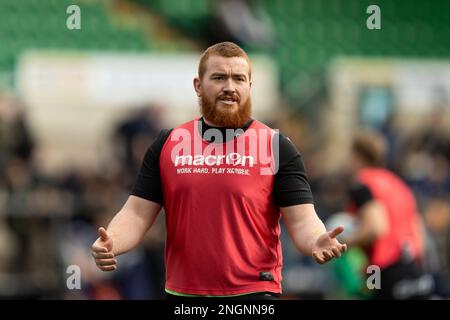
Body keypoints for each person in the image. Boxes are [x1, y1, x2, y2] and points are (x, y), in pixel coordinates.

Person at [91, 42, 346, 299]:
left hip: (253, 294)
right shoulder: (168, 144)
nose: (229, 87)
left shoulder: (276, 146)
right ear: (198, 86)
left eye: (239, 79)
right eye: (219, 77)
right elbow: (136, 213)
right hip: (183, 295)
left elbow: (302, 219)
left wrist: (316, 239)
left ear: (249, 86)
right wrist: (112, 241)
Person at [344, 130, 433, 299]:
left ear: (356, 156)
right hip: (413, 268)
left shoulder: (362, 183)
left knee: (366, 294)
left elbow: (376, 228)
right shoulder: (398, 183)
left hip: (381, 268)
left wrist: (343, 244)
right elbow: (417, 226)